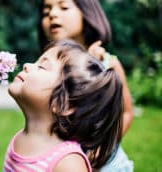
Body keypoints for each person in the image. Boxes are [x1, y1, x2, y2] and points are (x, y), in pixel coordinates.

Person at [38, 0, 134, 171]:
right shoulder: (49, 69)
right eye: (46, 12)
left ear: (88, 14)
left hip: (105, 165)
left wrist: (101, 149)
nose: (52, 14)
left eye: (64, 7)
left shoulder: (107, 65)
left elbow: (126, 112)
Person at [3, 40, 123, 171]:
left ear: (64, 105)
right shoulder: (19, 139)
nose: (26, 65)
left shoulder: (68, 163)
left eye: (42, 67)